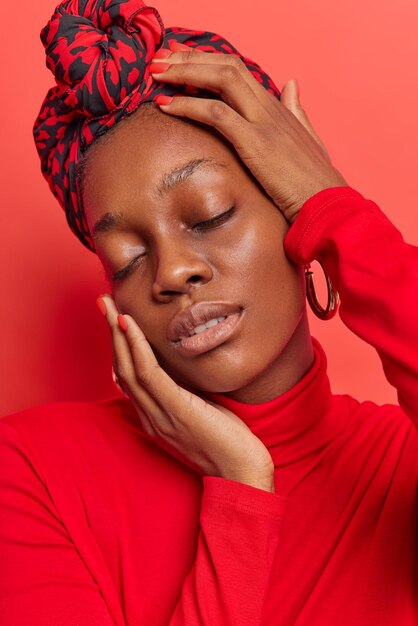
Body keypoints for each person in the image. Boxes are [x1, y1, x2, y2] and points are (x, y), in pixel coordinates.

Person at [0, 0, 417, 624]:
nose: (171, 273)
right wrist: (242, 488)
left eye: (211, 216)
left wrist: (336, 214)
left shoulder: (400, 466)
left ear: (292, 215)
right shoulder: (31, 472)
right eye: (127, 258)